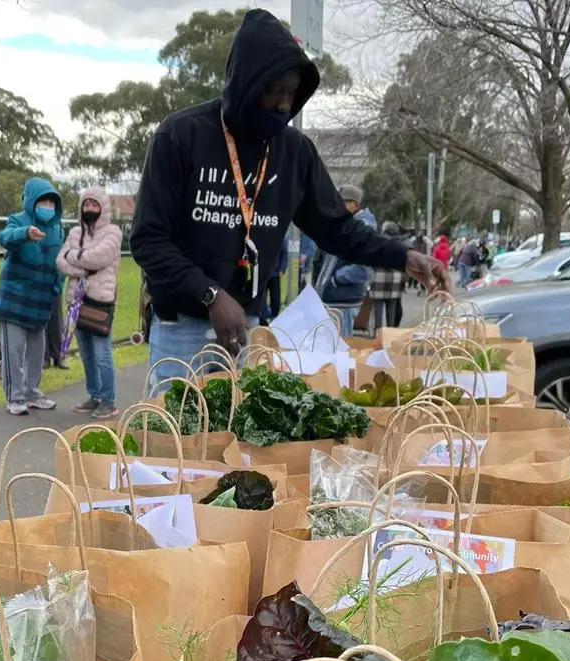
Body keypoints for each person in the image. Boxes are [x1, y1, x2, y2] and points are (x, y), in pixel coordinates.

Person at [130, 8, 449, 385]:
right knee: (172, 440)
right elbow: (148, 239)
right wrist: (210, 294)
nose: (283, 104)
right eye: (274, 91)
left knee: (234, 439)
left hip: (242, 329)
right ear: (247, 83)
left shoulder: (294, 152)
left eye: (291, 94)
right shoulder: (181, 136)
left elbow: (338, 229)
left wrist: (403, 255)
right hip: (180, 326)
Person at [0, 177, 64, 416]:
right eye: (42, 201)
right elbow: (5, 238)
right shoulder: (18, 220)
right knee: (13, 352)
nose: (47, 206)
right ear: (31, 201)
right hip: (14, 303)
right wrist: (25, 233)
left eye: (50, 202)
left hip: (40, 304)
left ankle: (32, 393)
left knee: (37, 352)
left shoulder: (57, 229)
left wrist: (56, 287)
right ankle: (15, 397)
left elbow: (59, 263)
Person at [57, 188, 123, 420]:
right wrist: (82, 261)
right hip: (76, 302)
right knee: (86, 354)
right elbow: (60, 261)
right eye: (86, 204)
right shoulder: (75, 232)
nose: (90, 209)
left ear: (103, 207)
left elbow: (100, 257)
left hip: (100, 303)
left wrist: (74, 258)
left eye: (95, 205)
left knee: (102, 354)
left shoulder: (113, 232)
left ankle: (108, 400)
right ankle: (94, 395)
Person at [314, 185, 377, 336]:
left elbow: (363, 268)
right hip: (335, 300)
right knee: (331, 349)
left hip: (343, 300)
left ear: (354, 205)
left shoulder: (362, 227)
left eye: (342, 203)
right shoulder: (344, 225)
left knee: (340, 350)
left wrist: (336, 279)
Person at [369, 221, 405, 330]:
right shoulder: (400, 244)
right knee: (391, 314)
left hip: (378, 280)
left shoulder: (377, 242)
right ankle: (390, 337)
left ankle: (378, 338)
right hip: (395, 280)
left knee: (378, 315)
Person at [262, 238, 289, 323]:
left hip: (275, 274)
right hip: (263, 274)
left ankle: (274, 316)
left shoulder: (280, 238)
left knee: (275, 298)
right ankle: (264, 317)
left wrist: (282, 269)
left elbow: (284, 253)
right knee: (262, 298)